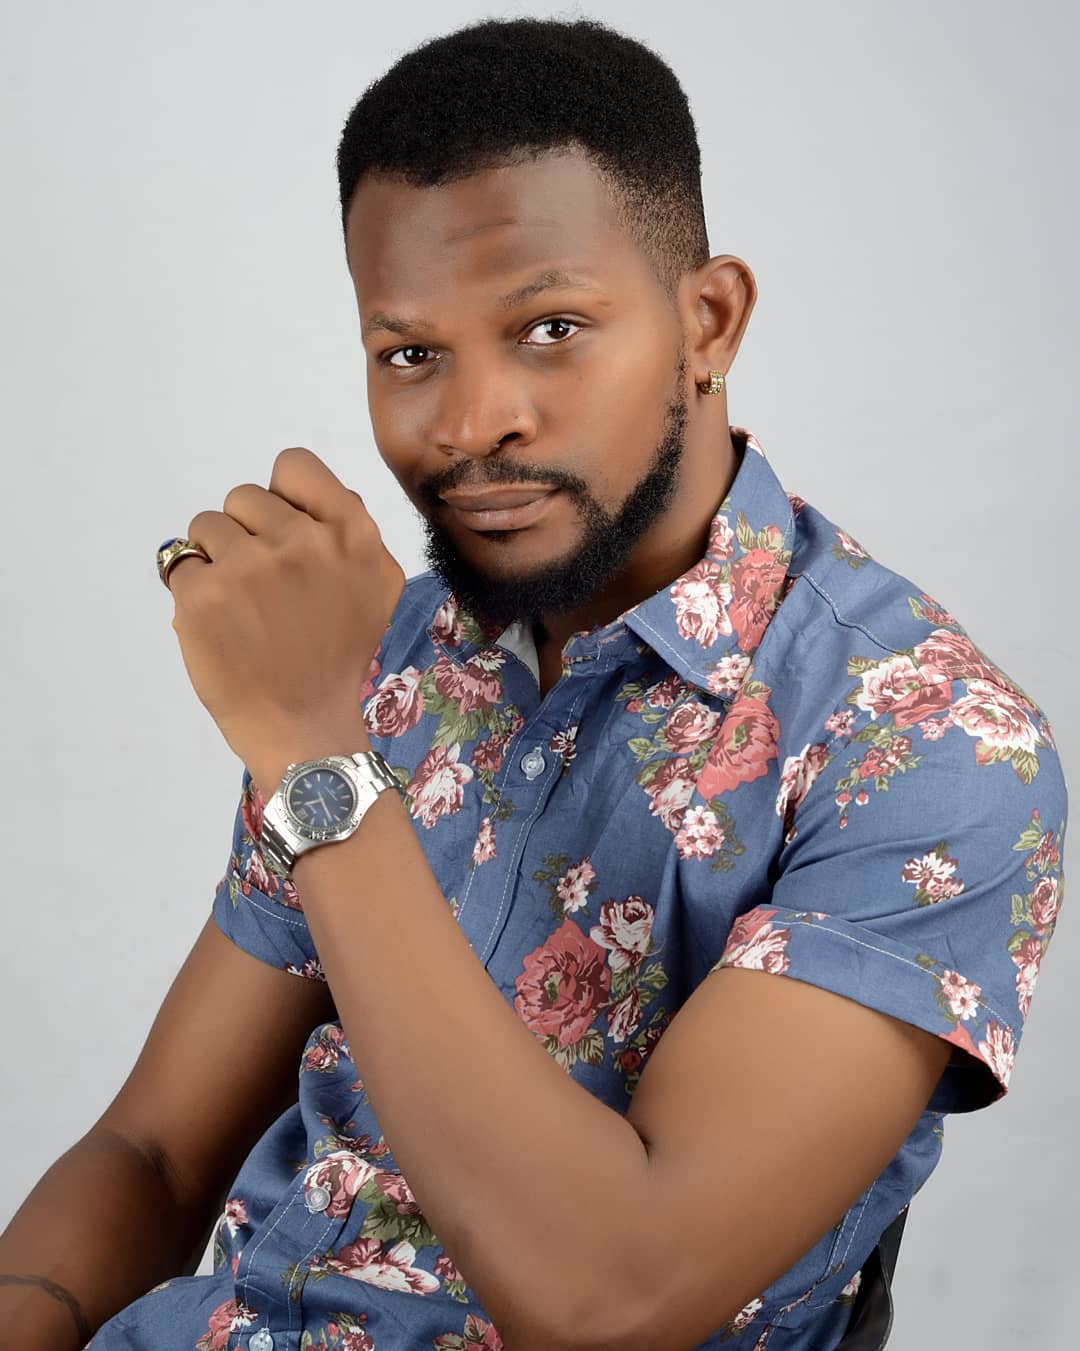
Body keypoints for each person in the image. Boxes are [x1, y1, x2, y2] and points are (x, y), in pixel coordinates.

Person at [1, 16, 1067, 1351]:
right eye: (410, 353)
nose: (470, 423)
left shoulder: (928, 743)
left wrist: (316, 755)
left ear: (709, 321)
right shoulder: (383, 657)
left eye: (551, 328)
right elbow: (156, 1153)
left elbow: (607, 1298)